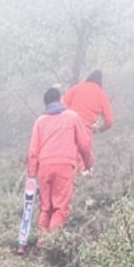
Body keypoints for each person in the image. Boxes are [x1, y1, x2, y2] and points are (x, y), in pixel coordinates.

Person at [26, 87, 93, 247]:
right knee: (60, 207)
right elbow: (84, 144)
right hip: (64, 165)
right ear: (60, 99)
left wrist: (32, 176)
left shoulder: (40, 122)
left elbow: (33, 151)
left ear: (46, 104)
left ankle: (42, 238)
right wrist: (88, 164)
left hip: (44, 167)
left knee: (46, 207)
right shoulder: (72, 117)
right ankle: (49, 242)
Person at [62, 69, 114, 172]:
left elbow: (62, 104)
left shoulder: (77, 88)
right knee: (84, 163)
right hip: (86, 130)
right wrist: (99, 129)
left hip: (69, 128)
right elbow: (110, 120)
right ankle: (83, 182)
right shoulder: (101, 94)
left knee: (67, 159)